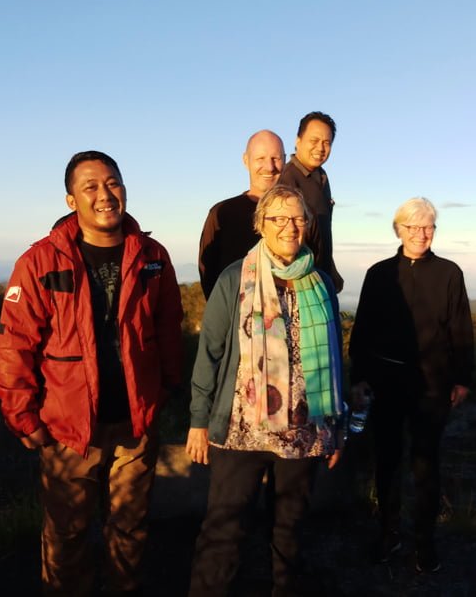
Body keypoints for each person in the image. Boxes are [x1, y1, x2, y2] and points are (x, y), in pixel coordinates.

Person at [0, 150, 183, 596]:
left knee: (131, 527)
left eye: (112, 183)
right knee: (67, 533)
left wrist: (166, 389)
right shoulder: (41, 261)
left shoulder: (151, 256)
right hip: (68, 427)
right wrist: (22, 416)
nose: (105, 195)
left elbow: (168, 326)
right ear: (71, 199)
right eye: (90, 187)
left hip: (135, 423)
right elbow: (15, 344)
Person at [186, 184, 345, 596]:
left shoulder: (321, 283)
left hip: (304, 431)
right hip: (242, 430)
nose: (289, 226)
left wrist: (335, 424)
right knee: (223, 530)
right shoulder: (235, 278)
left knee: (290, 530)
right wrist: (199, 420)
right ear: (261, 225)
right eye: (279, 218)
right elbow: (210, 352)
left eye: (298, 218)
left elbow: (334, 359)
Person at [349, 196, 474, 572]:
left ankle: (424, 541)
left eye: (428, 226)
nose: (421, 233)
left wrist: (463, 378)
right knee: (386, 461)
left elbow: (460, 328)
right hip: (386, 382)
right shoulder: (379, 273)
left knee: (426, 464)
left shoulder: (449, 273)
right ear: (398, 230)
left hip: (432, 383)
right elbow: (363, 328)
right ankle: (388, 533)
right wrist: (358, 377)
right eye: (413, 226)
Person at [198, 129, 286, 299]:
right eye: (260, 158)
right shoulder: (222, 214)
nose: (269, 167)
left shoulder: (296, 215)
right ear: (246, 160)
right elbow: (207, 272)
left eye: (275, 158)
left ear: (285, 160)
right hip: (234, 310)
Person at [278, 111, 343, 292]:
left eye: (327, 143)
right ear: (298, 141)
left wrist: (331, 269)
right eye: (314, 141)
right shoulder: (288, 180)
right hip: (301, 282)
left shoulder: (321, 176)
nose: (320, 148)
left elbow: (321, 232)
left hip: (320, 278)